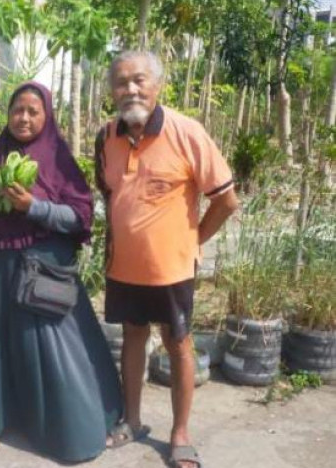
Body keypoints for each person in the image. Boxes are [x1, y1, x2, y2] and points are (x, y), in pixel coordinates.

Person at [0, 81, 123, 463]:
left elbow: (79, 217)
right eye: (17, 110)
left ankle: (70, 426)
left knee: (51, 350)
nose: (24, 118)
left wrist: (33, 207)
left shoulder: (58, 158)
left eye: (33, 111)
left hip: (40, 270)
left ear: (46, 116)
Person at [95, 51, 238, 468]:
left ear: (158, 86)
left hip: (173, 270)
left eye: (139, 80)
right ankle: (133, 420)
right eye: (121, 83)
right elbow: (109, 194)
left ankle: (179, 434)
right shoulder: (106, 137)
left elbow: (226, 200)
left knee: (178, 345)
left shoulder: (186, 132)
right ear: (112, 91)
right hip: (123, 267)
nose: (130, 90)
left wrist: (195, 239)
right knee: (133, 336)